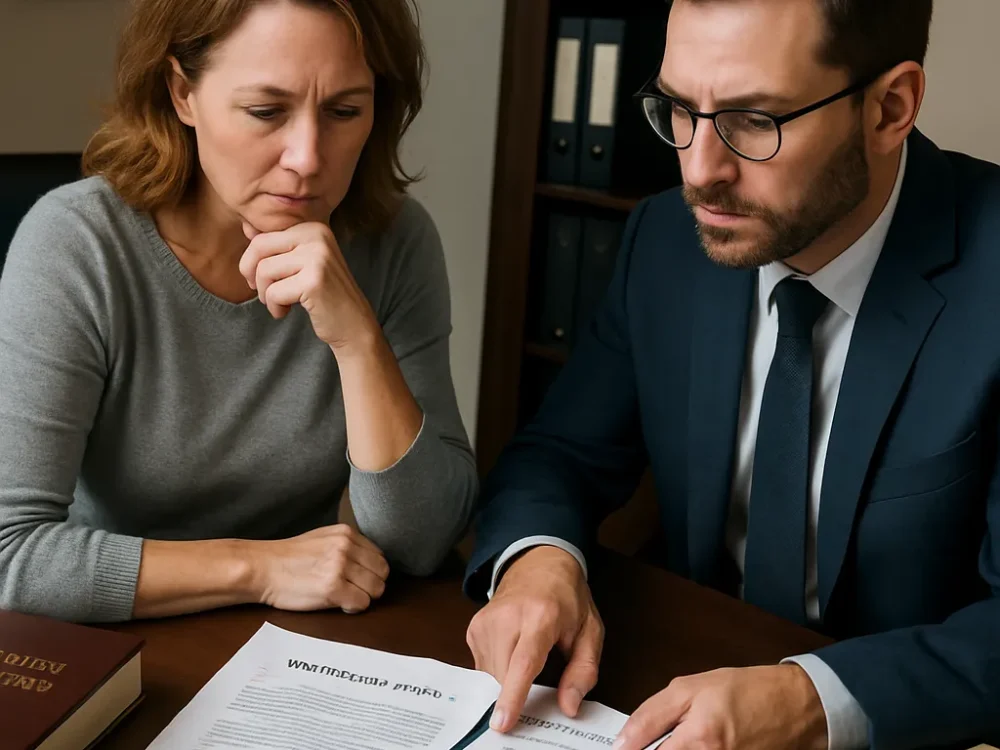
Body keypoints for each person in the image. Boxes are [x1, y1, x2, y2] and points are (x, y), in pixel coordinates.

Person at [464, 0, 1000, 748]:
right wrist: (538, 562)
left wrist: (809, 699)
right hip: (679, 695)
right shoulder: (666, 239)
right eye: (680, 109)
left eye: (754, 121)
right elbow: (560, 453)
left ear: (890, 108)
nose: (698, 170)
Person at [0, 0, 478, 624]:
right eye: (265, 111)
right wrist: (262, 567)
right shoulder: (78, 245)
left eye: (343, 111)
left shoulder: (395, 242)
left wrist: (357, 341)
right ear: (183, 94)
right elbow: (13, 556)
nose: (307, 158)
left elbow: (423, 540)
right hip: (129, 647)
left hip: (315, 640)